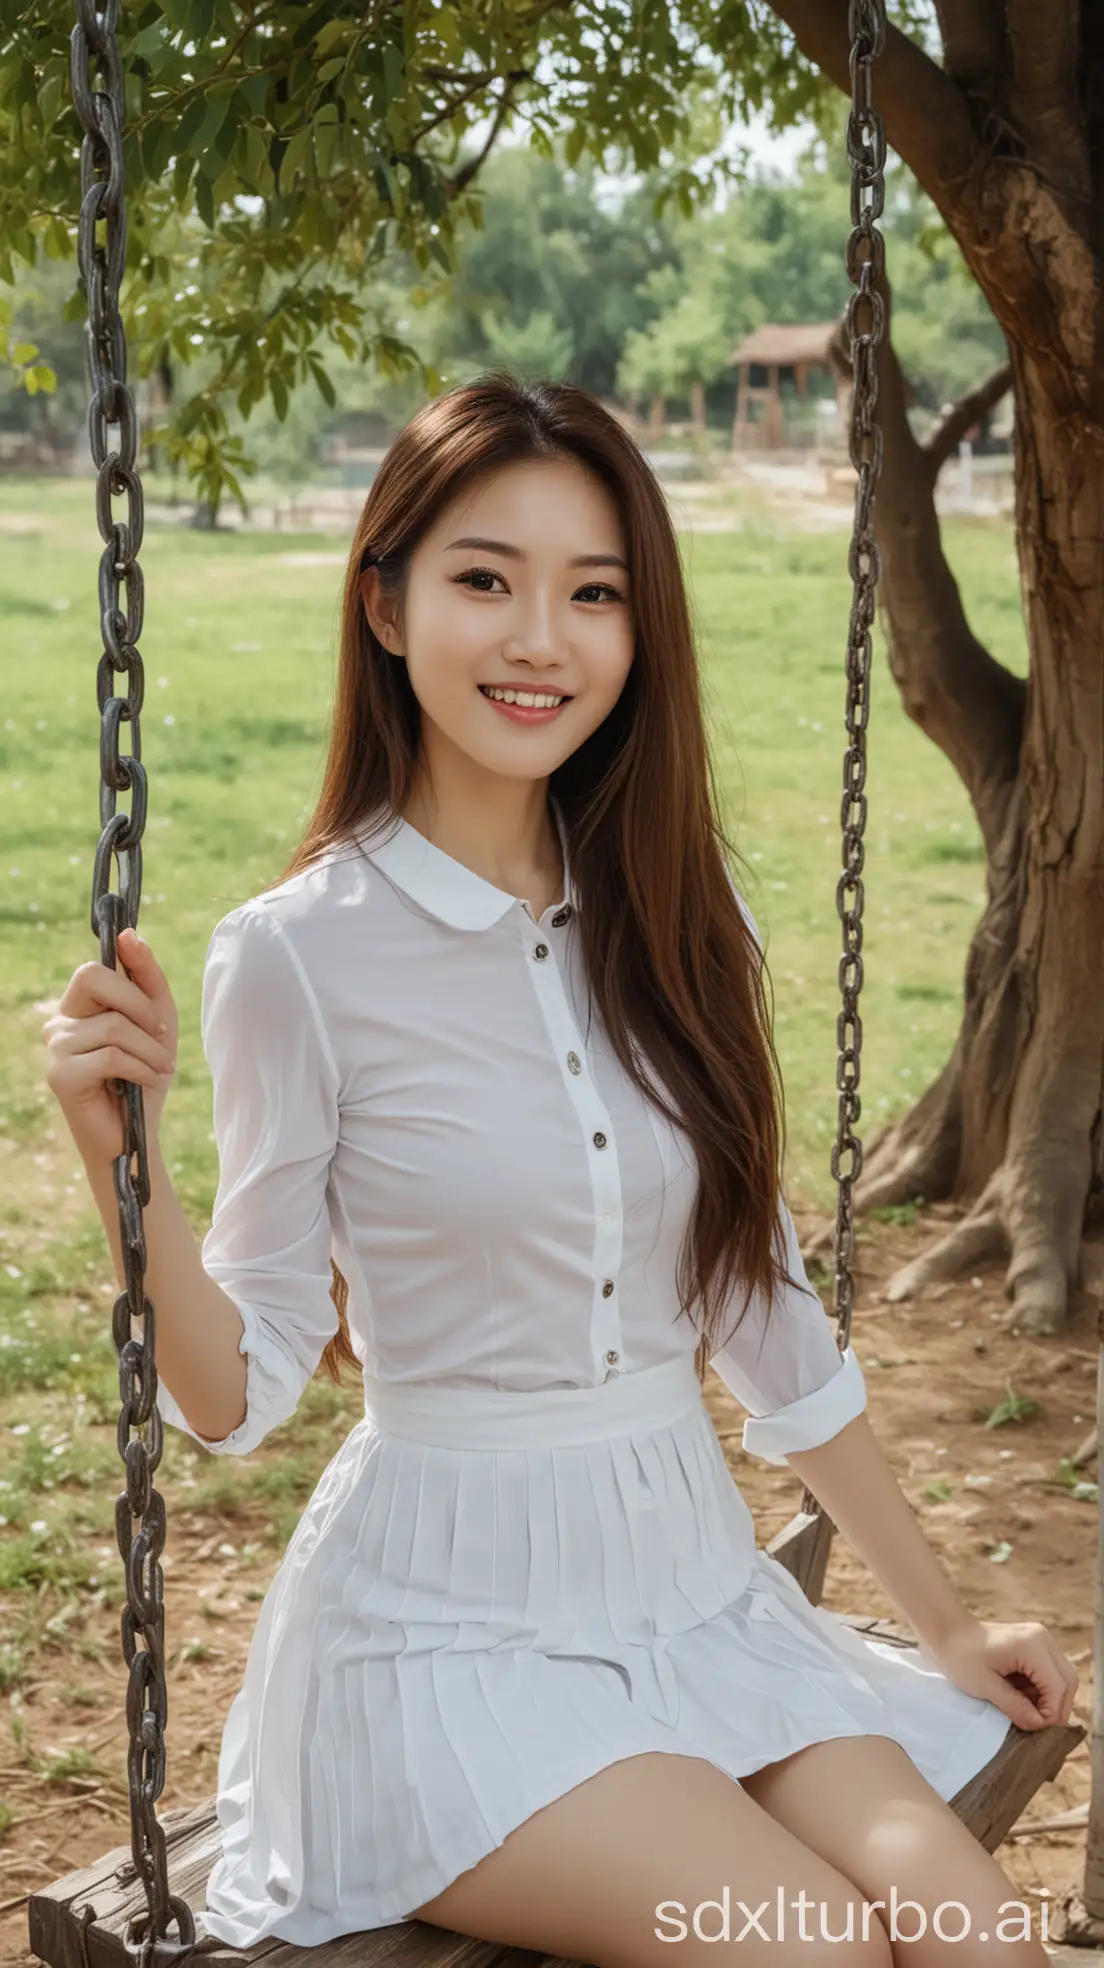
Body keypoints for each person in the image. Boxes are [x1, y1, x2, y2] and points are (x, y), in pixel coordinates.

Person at [45, 373, 1075, 1968]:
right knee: (801, 1949)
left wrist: (943, 1624)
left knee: (976, 1943)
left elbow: (767, 1316)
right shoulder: (297, 958)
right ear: (384, 605)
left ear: (637, 629)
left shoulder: (677, 913)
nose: (541, 639)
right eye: (484, 579)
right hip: (440, 1637)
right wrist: (133, 1177)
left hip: (691, 1591)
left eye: (592, 593)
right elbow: (234, 1397)